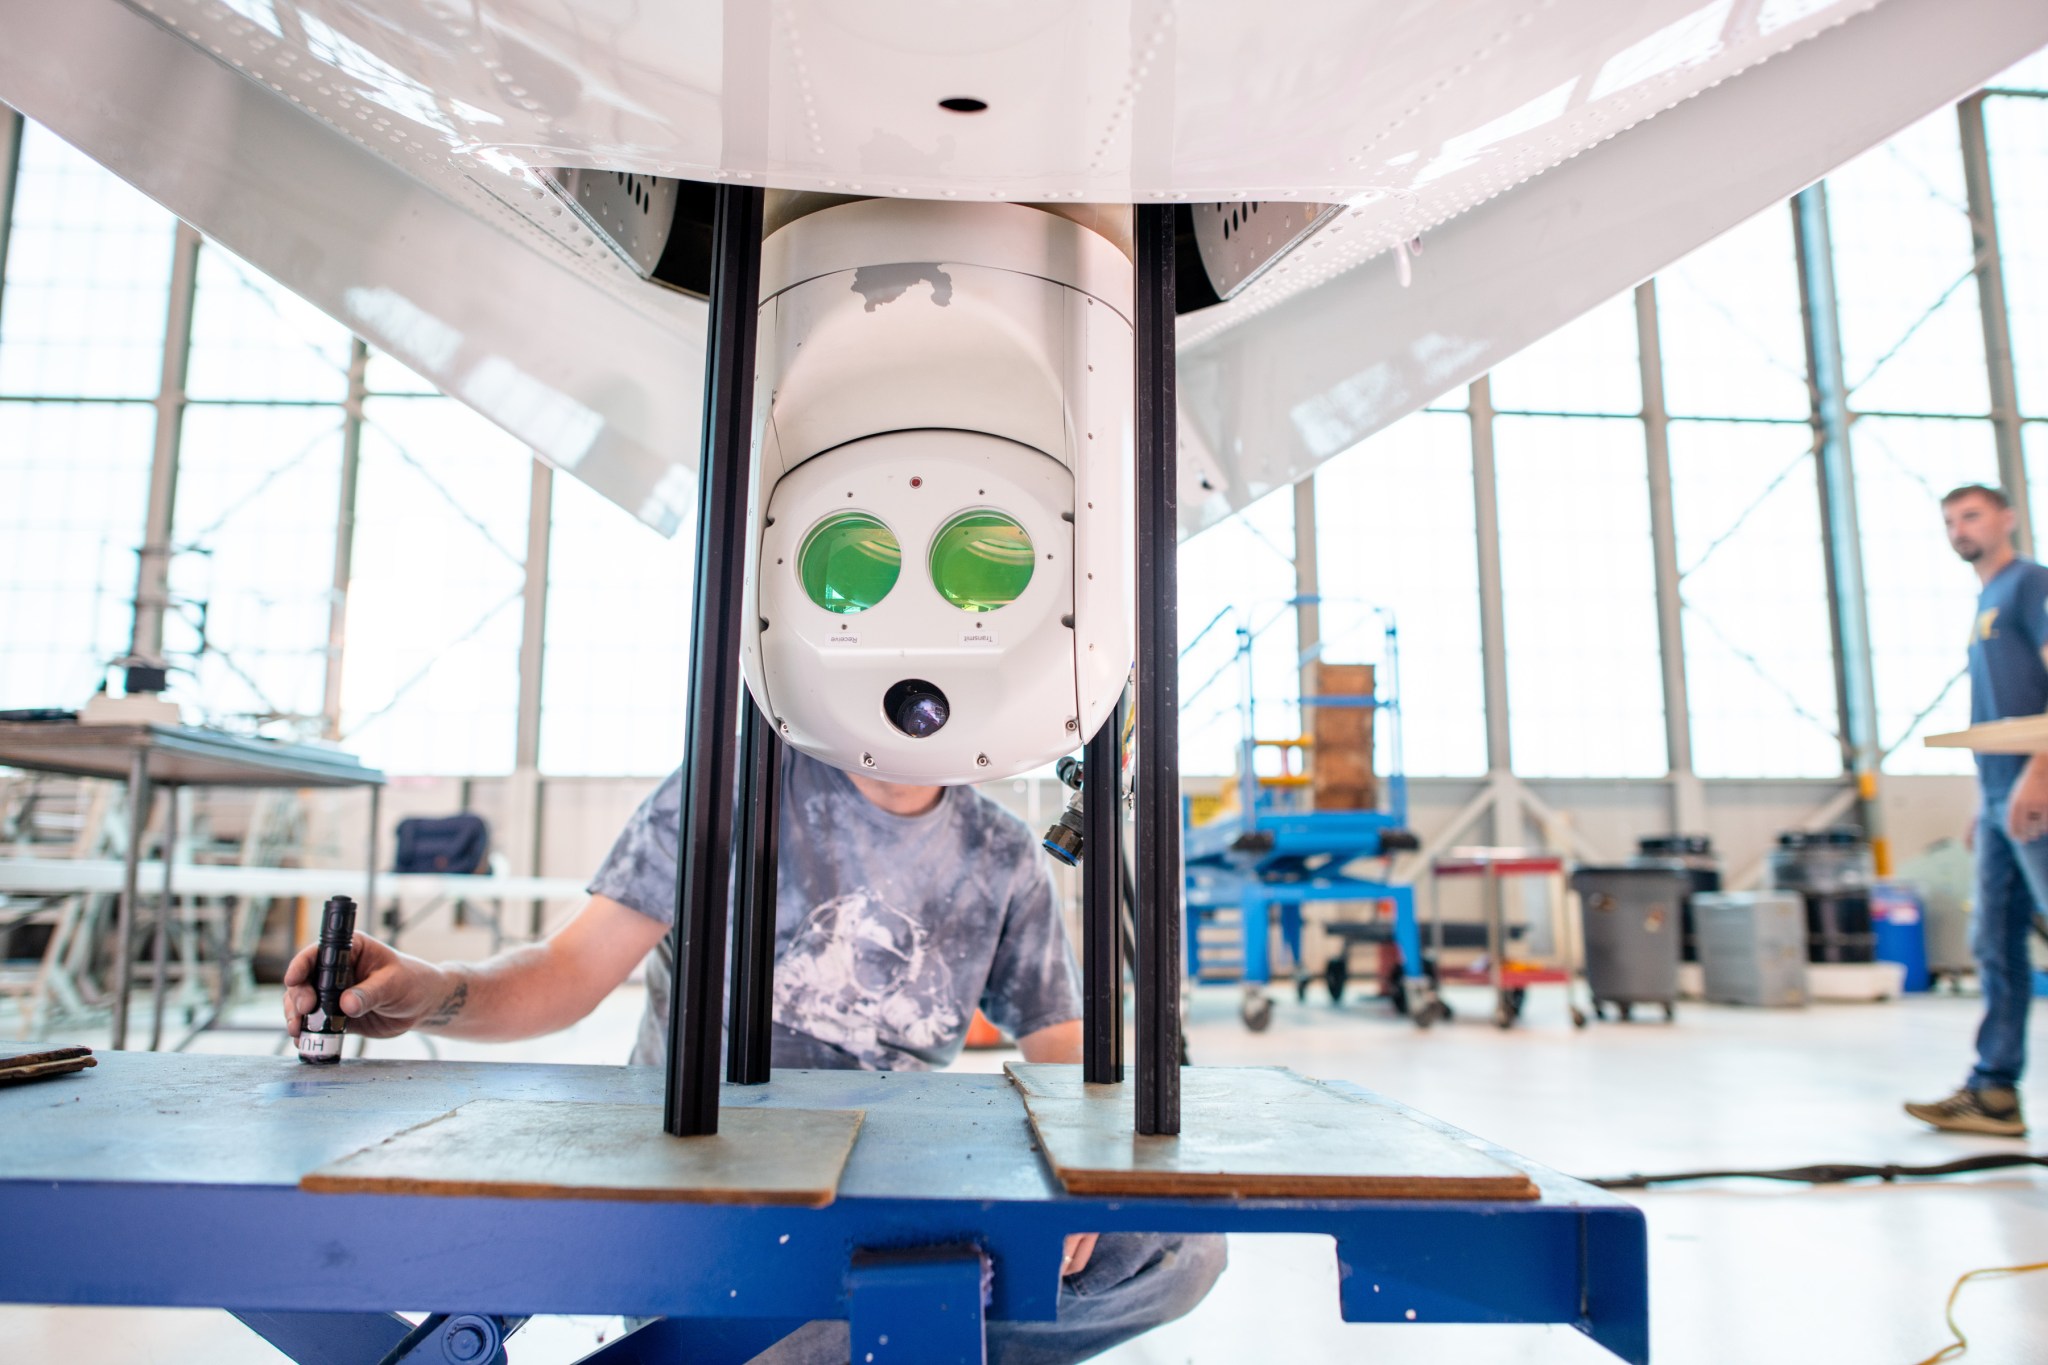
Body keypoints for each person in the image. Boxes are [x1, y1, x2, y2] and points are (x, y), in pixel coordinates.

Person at [284, 746, 1224, 1362]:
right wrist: (427, 990)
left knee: (1177, 1248)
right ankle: (850, 1327)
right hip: (704, 1186)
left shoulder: (1003, 852)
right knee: (821, 1300)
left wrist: (1080, 1180)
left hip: (877, 1198)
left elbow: (1062, 1044)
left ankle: (856, 1326)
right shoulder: (728, 788)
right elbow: (563, 974)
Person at [1905, 484, 2048, 1138]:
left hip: (2034, 788)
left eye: (1971, 515)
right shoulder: (1984, 601)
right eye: (1950, 520)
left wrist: (2038, 772)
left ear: (2007, 518)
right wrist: (1982, 800)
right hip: (1997, 795)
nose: (1959, 528)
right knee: (1994, 940)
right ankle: (1994, 1090)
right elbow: (1995, 714)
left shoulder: (2029, 584)